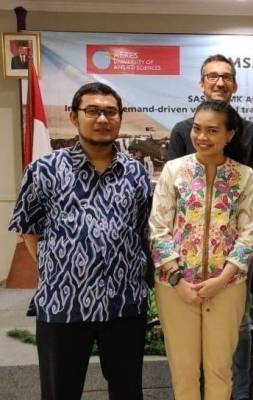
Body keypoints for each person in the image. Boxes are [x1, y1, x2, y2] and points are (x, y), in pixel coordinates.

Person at [8, 82, 151, 400]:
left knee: (128, 392)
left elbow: (142, 230)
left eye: (110, 112)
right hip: (63, 305)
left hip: (124, 305)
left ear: (120, 117)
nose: (102, 119)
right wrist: (63, 266)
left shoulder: (136, 173)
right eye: (93, 111)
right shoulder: (44, 170)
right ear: (74, 116)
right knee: (60, 392)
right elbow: (29, 230)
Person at [167, 53, 253, 400]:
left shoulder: (251, 134)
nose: (219, 82)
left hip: (233, 261)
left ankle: (239, 395)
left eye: (226, 77)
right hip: (184, 264)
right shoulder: (182, 132)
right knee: (186, 349)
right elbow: (172, 204)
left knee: (238, 329)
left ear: (235, 85)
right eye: (212, 76)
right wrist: (175, 273)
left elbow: (252, 202)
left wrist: (229, 270)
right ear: (201, 83)